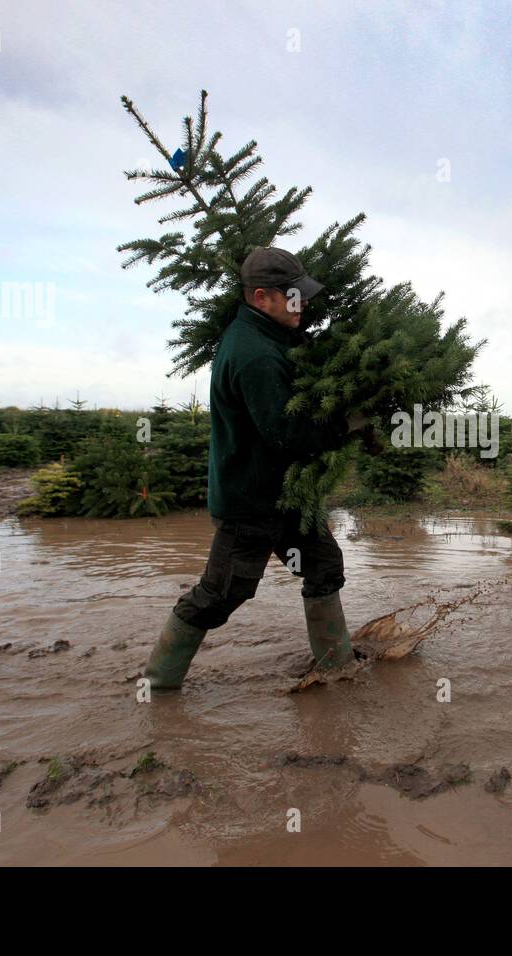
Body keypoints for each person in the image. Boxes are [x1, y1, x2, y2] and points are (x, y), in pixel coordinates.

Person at [143, 247, 370, 689]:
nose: (301, 305)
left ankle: (337, 668)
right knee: (222, 593)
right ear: (262, 297)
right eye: (292, 297)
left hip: (286, 495)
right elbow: (288, 434)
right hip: (251, 500)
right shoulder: (255, 355)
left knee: (322, 567)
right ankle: (158, 685)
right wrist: (347, 423)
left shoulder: (272, 335)